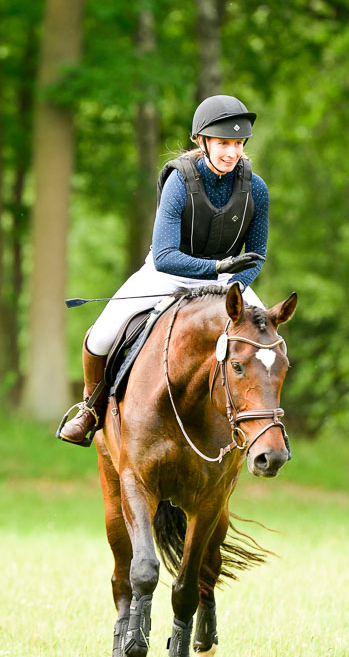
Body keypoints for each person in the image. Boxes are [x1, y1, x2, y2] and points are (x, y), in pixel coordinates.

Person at [60, 94, 269, 443]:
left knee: (268, 343)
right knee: (102, 335)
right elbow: (165, 257)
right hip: (168, 274)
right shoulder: (179, 182)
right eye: (222, 143)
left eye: (237, 143)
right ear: (202, 141)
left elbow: (258, 254)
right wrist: (217, 266)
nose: (231, 152)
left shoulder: (256, 189)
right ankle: (91, 409)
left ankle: (266, 425)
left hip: (226, 281)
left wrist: (232, 283)